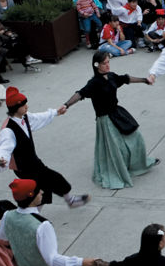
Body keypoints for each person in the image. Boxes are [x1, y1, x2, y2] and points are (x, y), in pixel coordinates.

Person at [63, 51, 158, 189]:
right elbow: (80, 94)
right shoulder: (94, 83)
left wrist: (145, 80)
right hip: (106, 119)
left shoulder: (112, 76)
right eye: (104, 63)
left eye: (108, 62)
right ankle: (118, 171)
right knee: (117, 149)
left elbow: (126, 79)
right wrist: (66, 105)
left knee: (136, 137)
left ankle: (140, 164)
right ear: (97, 65)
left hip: (117, 113)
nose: (107, 65)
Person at [0, 87, 90, 209]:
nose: (27, 107)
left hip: (33, 162)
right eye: (24, 105)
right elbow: (4, 147)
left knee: (46, 187)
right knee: (41, 191)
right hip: (24, 168)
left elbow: (39, 117)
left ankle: (68, 201)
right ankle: (39, 215)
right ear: (15, 108)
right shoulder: (8, 130)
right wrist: (1, 160)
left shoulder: (24, 117)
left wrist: (55, 112)